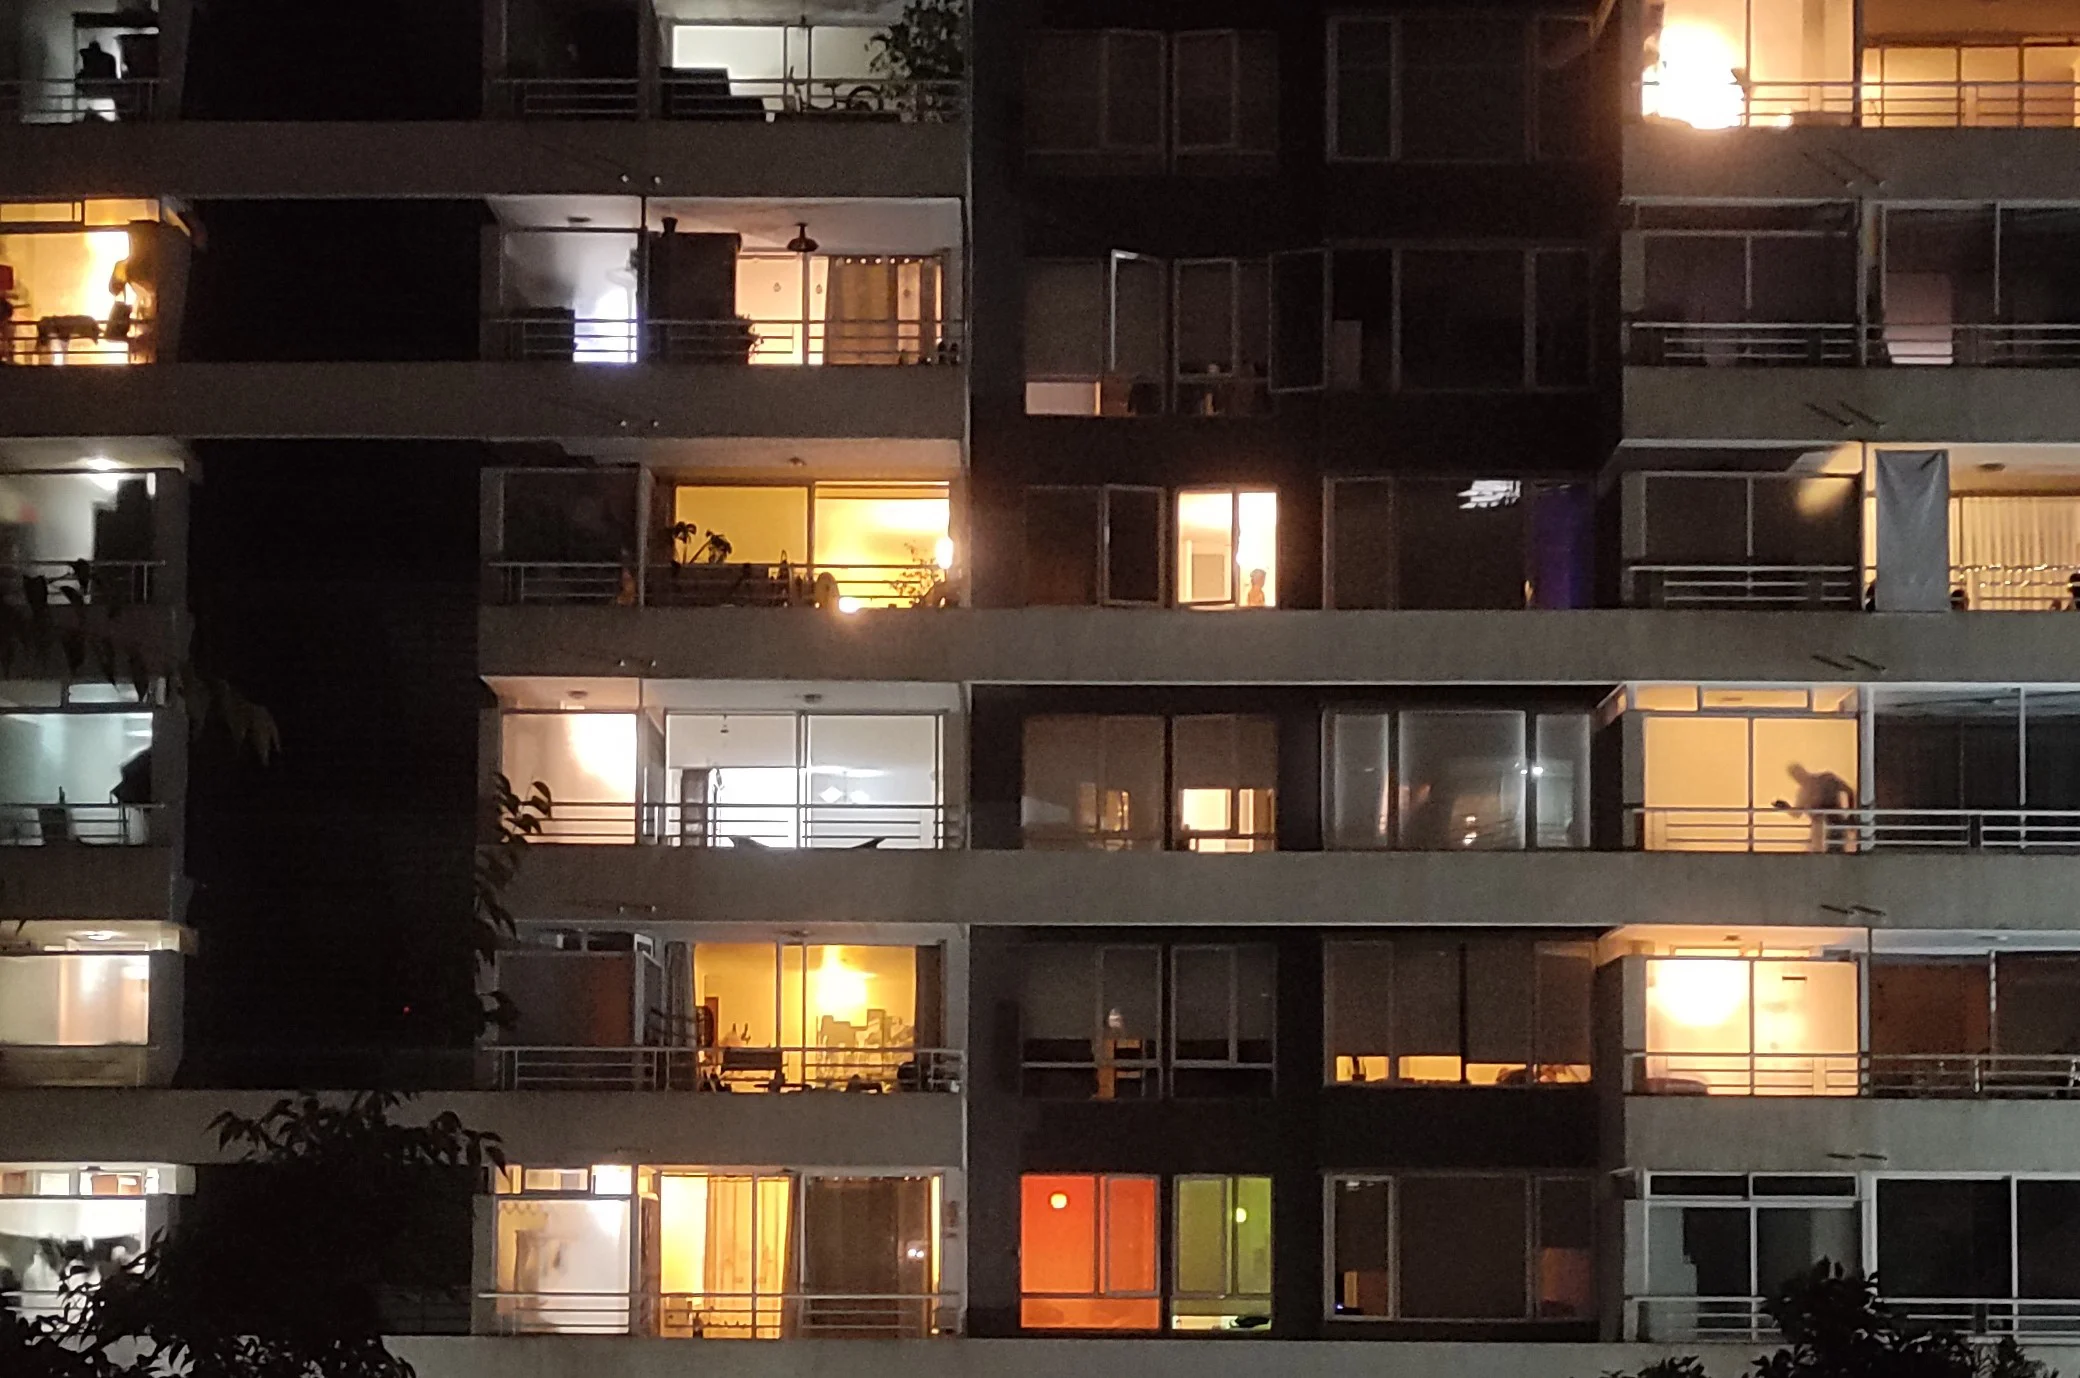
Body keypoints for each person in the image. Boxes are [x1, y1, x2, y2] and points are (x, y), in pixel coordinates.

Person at [1776, 763, 1855, 853]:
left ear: (1803, 771)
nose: (1798, 779)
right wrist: (1786, 807)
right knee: (1825, 855)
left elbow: (1849, 791)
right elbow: (1796, 814)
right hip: (1820, 830)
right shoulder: (1804, 792)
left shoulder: (1827, 779)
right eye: (1795, 776)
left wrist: (1851, 814)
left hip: (1835, 826)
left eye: (1797, 775)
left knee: (1835, 853)